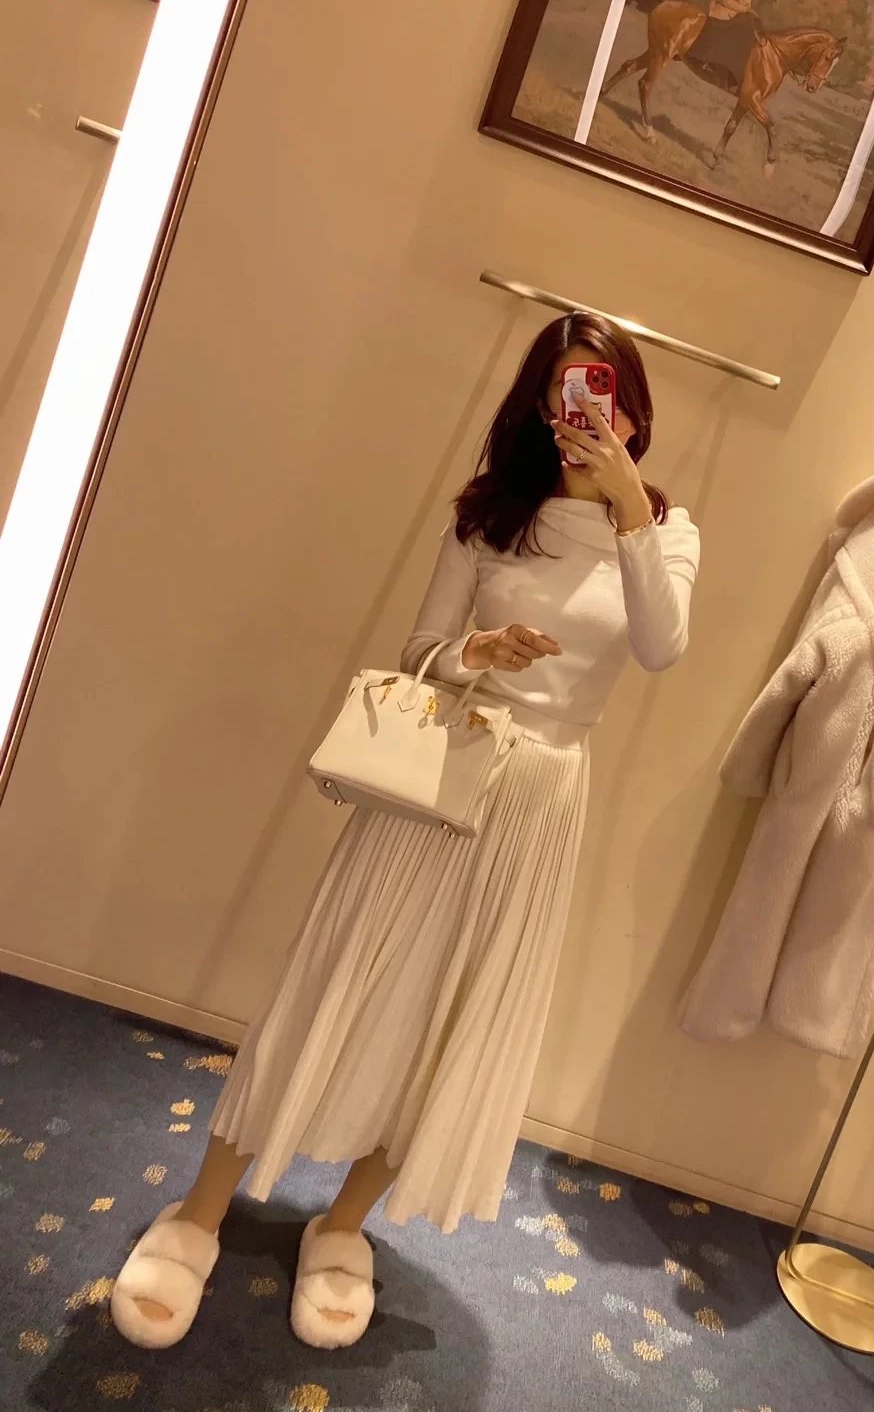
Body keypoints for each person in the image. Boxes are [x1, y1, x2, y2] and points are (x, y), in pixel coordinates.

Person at [110, 311, 700, 1352]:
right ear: (539, 405)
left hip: (540, 805)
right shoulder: (490, 516)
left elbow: (661, 647)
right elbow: (421, 650)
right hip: (445, 773)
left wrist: (626, 510)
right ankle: (197, 1212)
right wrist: (479, 652)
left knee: (449, 1019)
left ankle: (343, 1226)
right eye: (564, 391)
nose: (583, 412)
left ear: (631, 407)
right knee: (334, 979)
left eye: (600, 391)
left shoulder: (666, 531)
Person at [690, 0, 770, 88]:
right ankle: (712, 63)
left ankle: (733, 72)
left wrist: (749, 11)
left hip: (738, 14)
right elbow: (726, 0)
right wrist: (745, 10)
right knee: (741, 29)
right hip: (726, 11)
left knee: (751, 31)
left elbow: (747, 4)